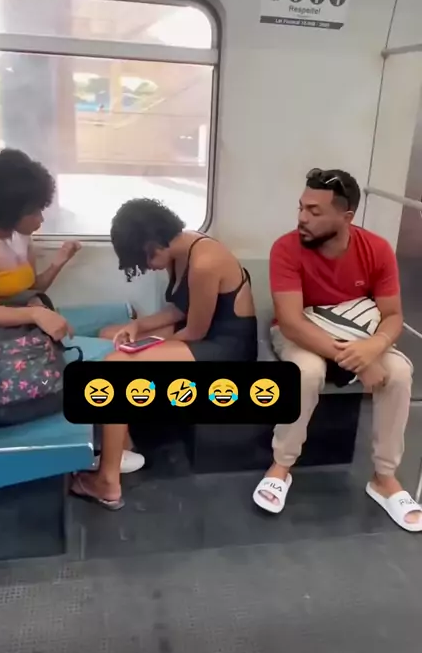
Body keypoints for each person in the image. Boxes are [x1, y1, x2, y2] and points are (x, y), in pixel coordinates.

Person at [0, 149, 143, 473]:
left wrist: (59, 262)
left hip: (24, 327)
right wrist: (35, 314)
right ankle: (112, 455)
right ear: (10, 210)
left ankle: (116, 444)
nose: (40, 219)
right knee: (113, 359)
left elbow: (31, 286)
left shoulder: (20, 238)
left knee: (118, 328)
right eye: (34, 211)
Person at [253, 167, 422, 533]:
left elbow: (393, 316)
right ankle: (281, 465)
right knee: (307, 371)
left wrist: (373, 348)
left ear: (346, 217)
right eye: (301, 207)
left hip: (355, 332)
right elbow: (291, 321)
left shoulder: (376, 249)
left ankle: (384, 477)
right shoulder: (286, 248)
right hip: (301, 331)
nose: (302, 218)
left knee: (400, 372)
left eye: (314, 211)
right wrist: (358, 362)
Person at [70, 197, 258, 508]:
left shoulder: (204, 262)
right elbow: (180, 309)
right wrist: (137, 327)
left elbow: (195, 332)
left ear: (154, 244)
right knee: (109, 336)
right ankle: (123, 442)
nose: (146, 268)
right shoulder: (179, 252)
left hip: (226, 347)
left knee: (116, 367)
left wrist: (146, 347)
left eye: (144, 260)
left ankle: (107, 482)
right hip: (200, 333)